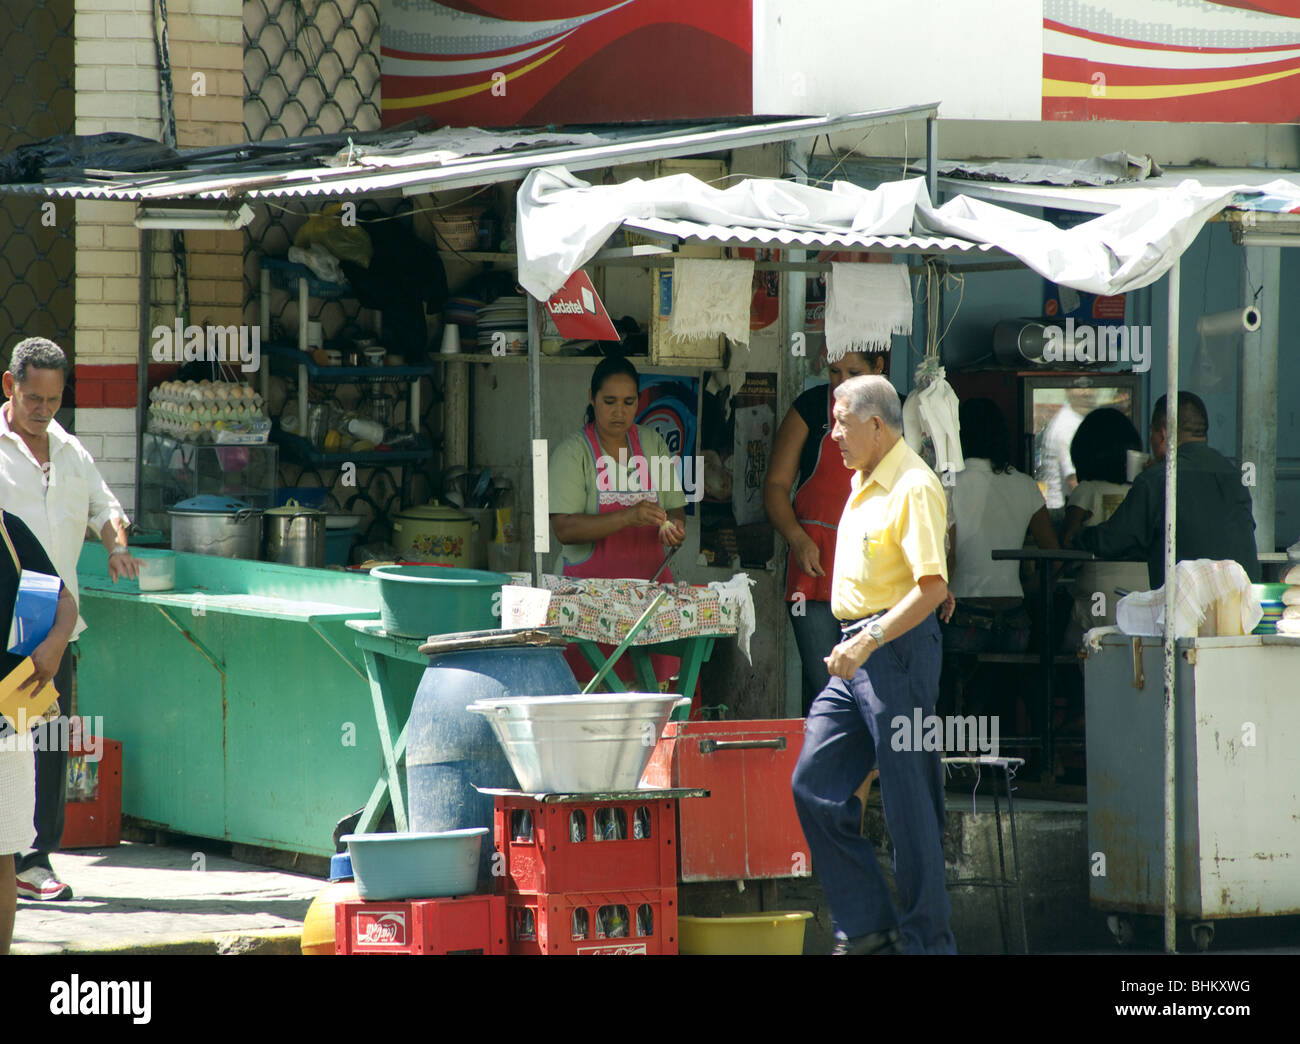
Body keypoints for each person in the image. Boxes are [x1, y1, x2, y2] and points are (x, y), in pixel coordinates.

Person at [790, 374, 955, 955]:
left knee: (911, 813)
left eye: (841, 421)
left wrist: (873, 638)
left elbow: (932, 587)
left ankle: (926, 945)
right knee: (814, 784)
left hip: (893, 652)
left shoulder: (913, 484)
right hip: (856, 652)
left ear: (876, 424)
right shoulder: (863, 478)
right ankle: (869, 926)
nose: (832, 433)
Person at [0, 337, 137, 902]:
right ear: (10, 387)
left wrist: (115, 545)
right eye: (33, 397)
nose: (42, 410)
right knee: (7, 743)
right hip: (4, 627)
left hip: (55, 629)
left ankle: (34, 861)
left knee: (48, 742)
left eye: (54, 400)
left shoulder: (70, 449)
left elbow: (105, 507)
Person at [548, 355, 686, 687]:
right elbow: (564, 528)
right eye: (609, 401)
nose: (619, 412)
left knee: (648, 698)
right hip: (588, 607)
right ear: (591, 397)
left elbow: (676, 509)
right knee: (590, 696)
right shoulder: (573, 453)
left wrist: (675, 531)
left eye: (628, 402)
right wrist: (628, 515)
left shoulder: (653, 445)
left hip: (649, 602)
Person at [764, 351, 887, 714]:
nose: (841, 382)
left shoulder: (897, 413)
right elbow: (775, 485)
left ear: (879, 368)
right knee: (827, 688)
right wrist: (797, 539)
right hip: (813, 568)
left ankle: (867, 770)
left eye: (854, 372)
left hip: (875, 570)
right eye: (834, 371)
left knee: (873, 690)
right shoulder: (812, 405)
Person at [1072, 392, 1259, 587]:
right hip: (1241, 599)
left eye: (1151, 432)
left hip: (1186, 605)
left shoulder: (1157, 479)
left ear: (1162, 435)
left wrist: (1078, 536)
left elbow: (1112, 540)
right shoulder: (1233, 476)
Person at [0, 509, 79, 953]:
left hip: (7, 717)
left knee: (2, 855)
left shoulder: (8, 529)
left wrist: (53, 646)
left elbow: (63, 600)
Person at [943, 399, 1058, 657]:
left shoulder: (947, 484)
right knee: (1004, 696)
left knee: (960, 694)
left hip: (962, 612)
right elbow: (1055, 554)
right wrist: (1028, 588)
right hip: (1015, 616)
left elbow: (944, 556)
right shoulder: (1025, 484)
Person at [1060, 408, 1149, 634]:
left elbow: (1067, 541)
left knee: (1079, 652)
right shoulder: (1141, 490)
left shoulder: (1087, 490)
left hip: (1098, 592)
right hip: (1143, 591)